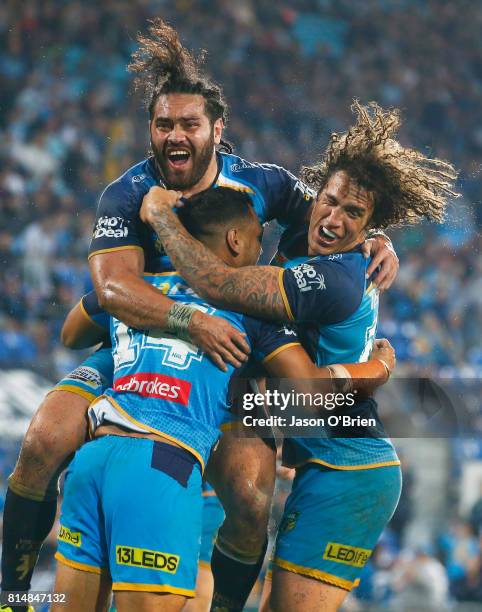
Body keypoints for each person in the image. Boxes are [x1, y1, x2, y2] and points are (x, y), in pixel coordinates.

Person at [0, 20, 398, 611]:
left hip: (233, 340)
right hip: (142, 331)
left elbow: (330, 218)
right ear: (151, 132)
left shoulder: (262, 185)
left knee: (250, 493)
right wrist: (187, 320)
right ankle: (10, 591)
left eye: (189, 124)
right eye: (163, 125)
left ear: (217, 130)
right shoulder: (128, 192)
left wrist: (379, 237)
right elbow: (110, 293)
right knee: (42, 441)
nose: (174, 136)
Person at [139, 100, 458, 611]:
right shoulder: (305, 235)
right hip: (321, 449)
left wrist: (160, 218)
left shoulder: (335, 278)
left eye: (354, 214)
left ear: (372, 224)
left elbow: (219, 284)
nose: (333, 219)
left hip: (351, 472)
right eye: (329, 201)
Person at [50, 187, 393, 612]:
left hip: (93, 461)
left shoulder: (136, 290)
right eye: (255, 240)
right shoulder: (254, 313)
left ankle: (12, 597)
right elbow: (310, 389)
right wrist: (378, 369)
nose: (260, 251)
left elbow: (71, 333)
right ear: (235, 242)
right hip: (160, 464)